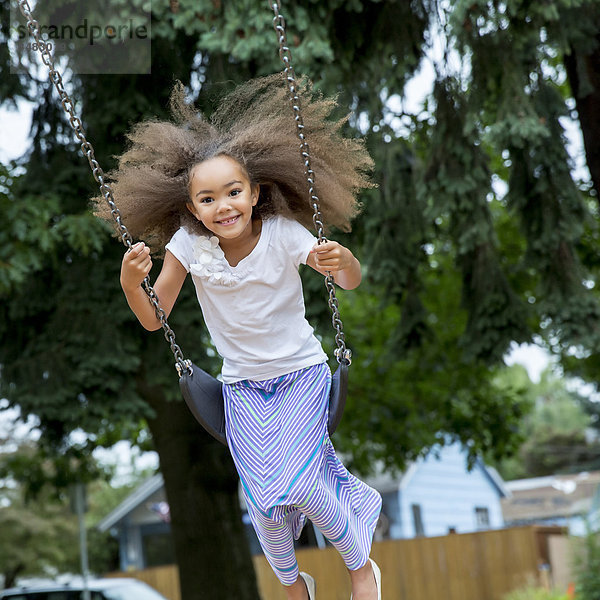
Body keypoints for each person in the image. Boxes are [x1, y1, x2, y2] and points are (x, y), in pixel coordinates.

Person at [95, 75, 382, 600]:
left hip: (300, 374)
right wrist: (130, 284)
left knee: (296, 483)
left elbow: (345, 280)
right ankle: (294, 583)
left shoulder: (284, 234)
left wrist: (346, 263)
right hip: (243, 387)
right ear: (192, 207)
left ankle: (359, 564)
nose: (223, 206)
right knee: (264, 502)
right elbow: (155, 317)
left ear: (253, 193)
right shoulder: (188, 245)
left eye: (233, 192)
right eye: (207, 198)